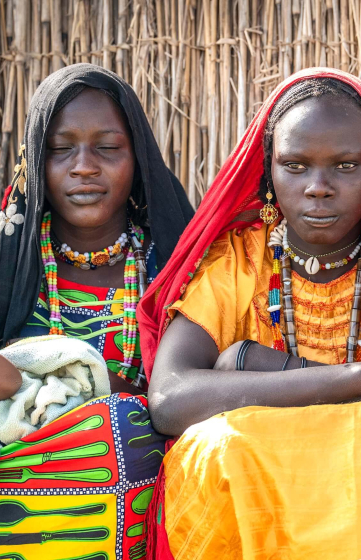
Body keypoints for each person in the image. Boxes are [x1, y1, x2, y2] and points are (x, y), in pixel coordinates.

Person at [138, 68, 361, 559]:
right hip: (248, 489)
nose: (319, 187)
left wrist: (252, 362)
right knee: (222, 444)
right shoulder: (235, 263)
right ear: (268, 173)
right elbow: (170, 397)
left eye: (346, 166)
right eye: (296, 165)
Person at [0, 63, 193, 560]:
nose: (84, 166)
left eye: (107, 148)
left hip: (143, 504)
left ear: (139, 159)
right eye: (61, 149)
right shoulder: (8, 262)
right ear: (35, 161)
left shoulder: (180, 265)